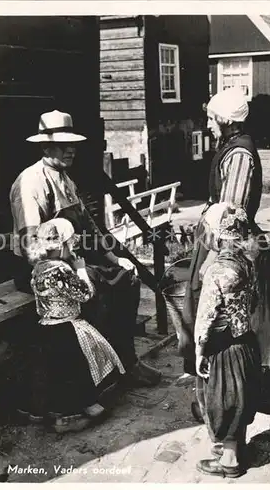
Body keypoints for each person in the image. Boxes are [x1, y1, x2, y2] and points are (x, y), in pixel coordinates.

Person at [10, 110, 161, 390]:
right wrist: (73, 266)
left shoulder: (66, 179)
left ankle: (126, 362)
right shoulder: (30, 183)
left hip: (70, 259)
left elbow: (90, 228)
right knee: (98, 287)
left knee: (126, 277)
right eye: (64, 145)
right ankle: (99, 378)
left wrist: (115, 258)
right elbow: (32, 248)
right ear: (46, 147)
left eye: (73, 144)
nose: (71, 150)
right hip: (43, 269)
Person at [180, 87, 270, 399]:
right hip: (218, 238)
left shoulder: (240, 155)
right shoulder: (231, 147)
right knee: (207, 308)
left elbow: (231, 214)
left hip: (232, 246)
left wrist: (215, 256)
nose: (209, 125)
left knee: (227, 313)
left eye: (212, 119)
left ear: (227, 121)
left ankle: (232, 389)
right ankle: (213, 384)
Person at [26, 218, 126, 433]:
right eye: (71, 242)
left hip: (46, 327)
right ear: (61, 244)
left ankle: (57, 413)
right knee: (76, 370)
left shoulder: (38, 268)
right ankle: (76, 415)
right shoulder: (60, 271)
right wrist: (80, 269)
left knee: (56, 372)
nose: (74, 245)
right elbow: (85, 294)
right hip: (66, 329)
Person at [194, 203, 262, 478]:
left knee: (223, 399)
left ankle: (230, 461)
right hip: (245, 342)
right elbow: (254, 301)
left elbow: (206, 316)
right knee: (241, 396)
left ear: (216, 234)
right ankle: (237, 447)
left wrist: (199, 349)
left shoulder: (217, 271)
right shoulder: (248, 263)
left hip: (224, 348)